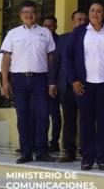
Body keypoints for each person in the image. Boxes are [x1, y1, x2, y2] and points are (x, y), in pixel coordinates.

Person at [1, 0, 56, 164]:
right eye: (25, 12)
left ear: (36, 14)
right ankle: (26, 152)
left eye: (31, 11)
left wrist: (51, 80)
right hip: (18, 79)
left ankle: (42, 151)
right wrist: (5, 82)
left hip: (40, 79)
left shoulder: (45, 33)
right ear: (20, 15)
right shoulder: (12, 34)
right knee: (23, 116)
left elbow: (50, 57)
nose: (29, 15)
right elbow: (6, 59)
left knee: (43, 115)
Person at [65, 2, 104, 170]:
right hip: (84, 85)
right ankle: (87, 158)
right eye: (92, 10)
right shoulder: (79, 32)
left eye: (99, 11)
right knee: (86, 122)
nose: (95, 13)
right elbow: (67, 56)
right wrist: (74, 80)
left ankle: (103, 159)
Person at [49, 10, 87, 162]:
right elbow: (56, 62)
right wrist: (52, 82)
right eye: (79, 19)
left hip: (85, 85)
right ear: (73, 21)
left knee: (86, 119)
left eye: (84, 19)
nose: (82, 22)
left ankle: (86, 149)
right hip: (67, 86)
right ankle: (69, 151)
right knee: (69, 120)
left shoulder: (91, 37)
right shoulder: (63, 39)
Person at [42, 15, 62, 154]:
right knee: (40, 114)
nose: (48, 28)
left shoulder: (60, 41)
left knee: (55, 114)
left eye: (51, 25)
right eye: (46, 25)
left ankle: (54, 142)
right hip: (39, 82)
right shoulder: (38, 40)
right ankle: (39, 143)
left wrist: (53, 82)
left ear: (56, 27)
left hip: (55, 82)